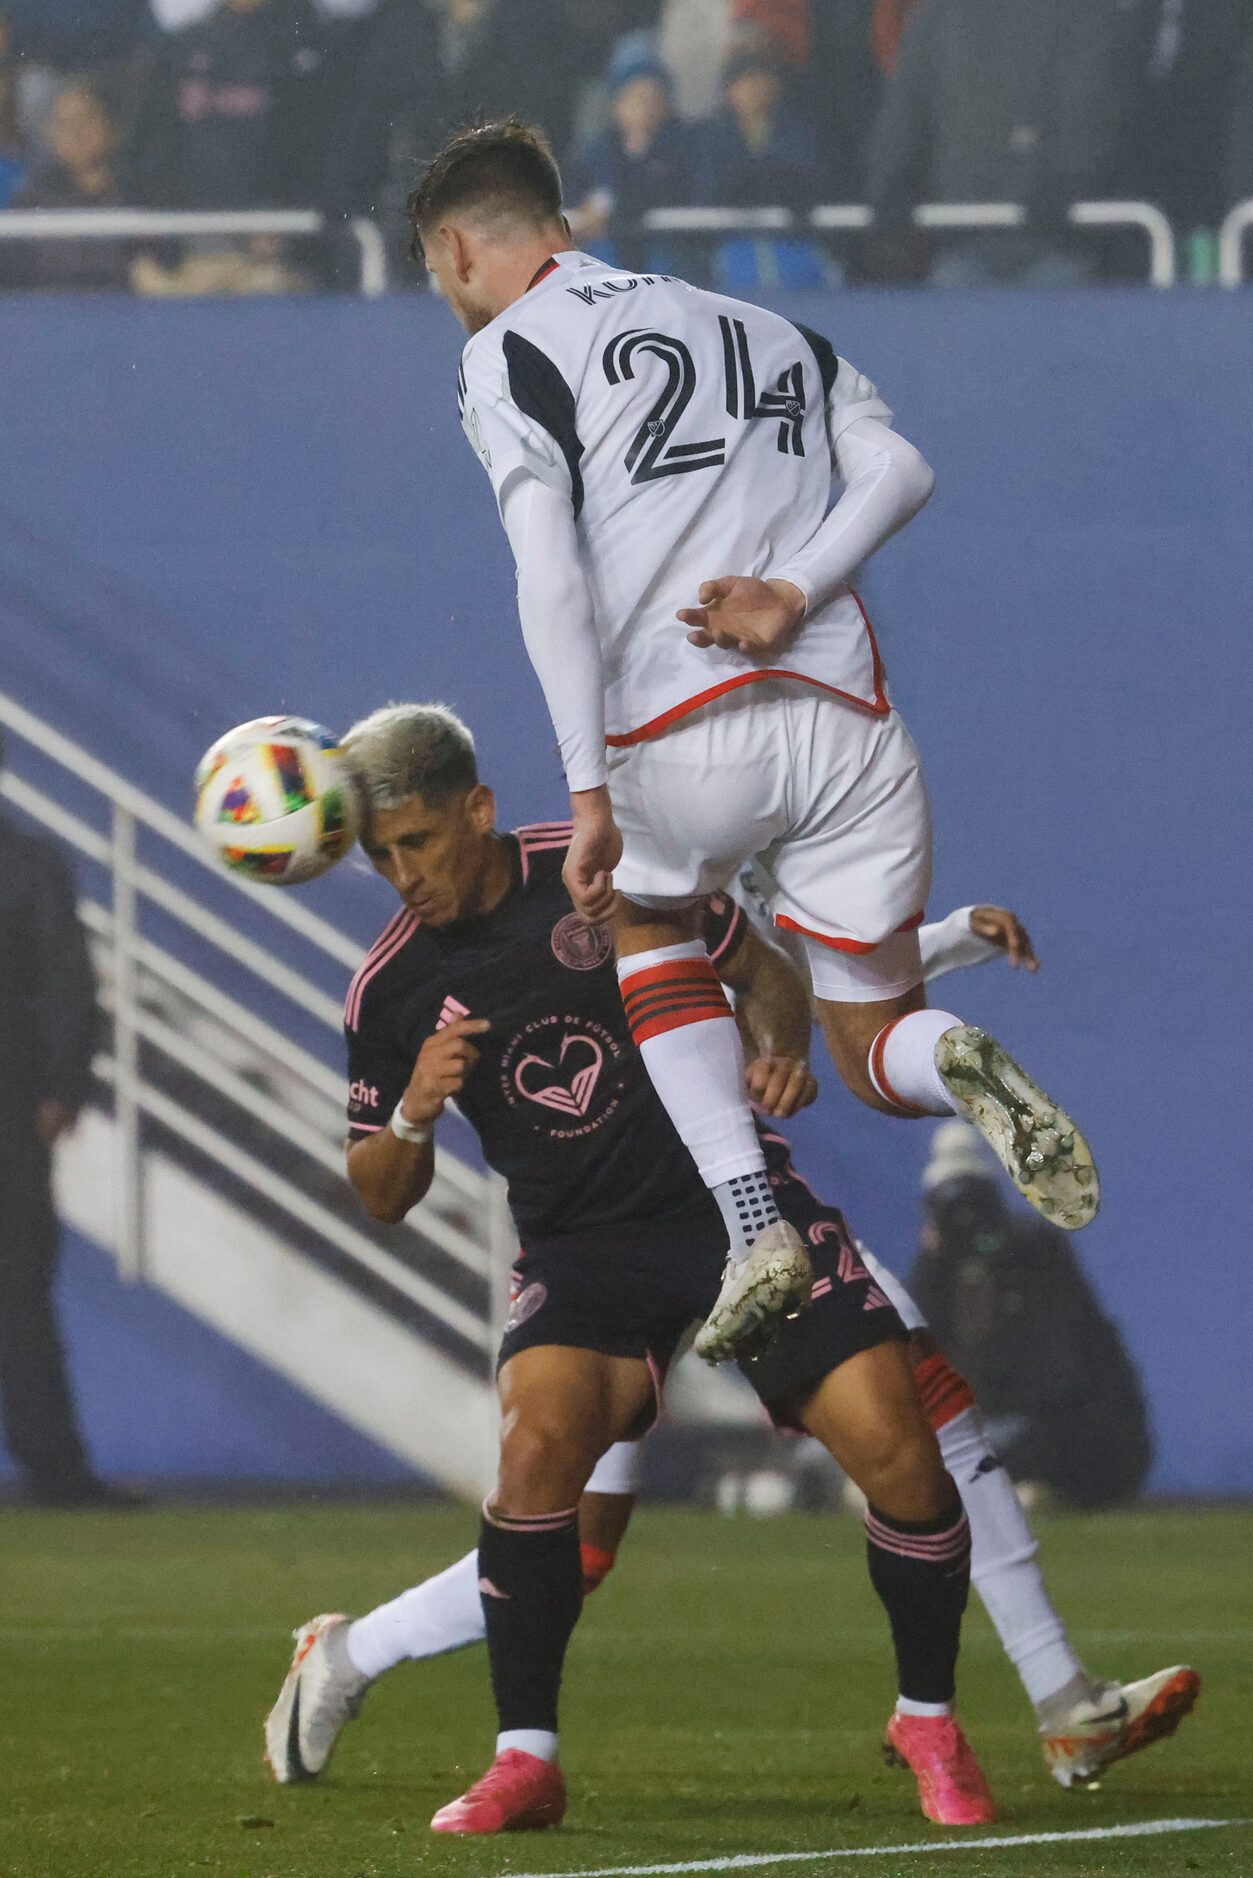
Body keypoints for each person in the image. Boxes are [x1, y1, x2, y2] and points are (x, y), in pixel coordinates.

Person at [407, 118, 1099, 1371]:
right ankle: (948, 1058)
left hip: (679, 731)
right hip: (847, 725)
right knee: (874, 1051)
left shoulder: (508, 353)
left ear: (458, 248)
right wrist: (789, 587)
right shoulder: (763, 324)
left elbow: (549, 580)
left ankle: (750, 1226)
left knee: (644, 928)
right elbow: (898, 469)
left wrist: (582, 781)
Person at [265, 701, 997, 1831]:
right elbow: (378, 1193)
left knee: (897, 1447)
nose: (400, 873)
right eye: (377, 853)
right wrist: (412, 1111)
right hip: (582, 1253)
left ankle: (926, 1719)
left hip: (728, 1207)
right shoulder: (391, 990)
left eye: (417, 841)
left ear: (480, 809)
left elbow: (766, 979)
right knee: (535, 1447)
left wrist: (778, 1055)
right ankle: (525, 1760)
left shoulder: (605, 870)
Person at [0, 738, 128, 1507]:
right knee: (19, 1293)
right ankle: (58, 1470)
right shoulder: (26, 864)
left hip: (7, 1111)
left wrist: (60, 1087)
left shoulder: (26, 864)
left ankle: (56, 1469)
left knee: (17, 1290)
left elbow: (65, 981)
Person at [908, 1124, 1153, 1511]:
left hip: (1070, 1433)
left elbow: (1058, 1377)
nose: (966, 1223)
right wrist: (933, 1264)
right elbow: (914, 1351)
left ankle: (1031, 1488)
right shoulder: (939, 1269)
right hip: (1001, 1430)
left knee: (977, 1452)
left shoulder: (1034, 1253)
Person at [865, 0, 1140, 286]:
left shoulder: (1084, 15)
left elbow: (1091, 120)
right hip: (966, 245)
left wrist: (1065, 186)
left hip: (1051, 247)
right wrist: (889, 194)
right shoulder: (937, 16)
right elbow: (901, 124)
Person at [698, 46, 829, 289]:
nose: (754, 89)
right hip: (733, 246)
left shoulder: (798, 131)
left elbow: (806, 182)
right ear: (730, 90)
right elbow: (710, 189)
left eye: (761, 79)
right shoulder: (711, 136)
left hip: (793, 243)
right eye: (745, 81)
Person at [564, 41, 693, 276]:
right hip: (608, 263)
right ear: (617, 104)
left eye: (653, 99)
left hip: (669, 259)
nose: (644, 108)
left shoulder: (684, 149)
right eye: (635, 98)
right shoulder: (595, 153)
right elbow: (573, 197)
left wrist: (610, 205)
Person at [6, 81, 130, 292]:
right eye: (64, 124)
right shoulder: (29, 202)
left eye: (87, 118)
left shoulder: (135, 195)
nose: (76, 132)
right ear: (51, 136)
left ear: (111, 127)